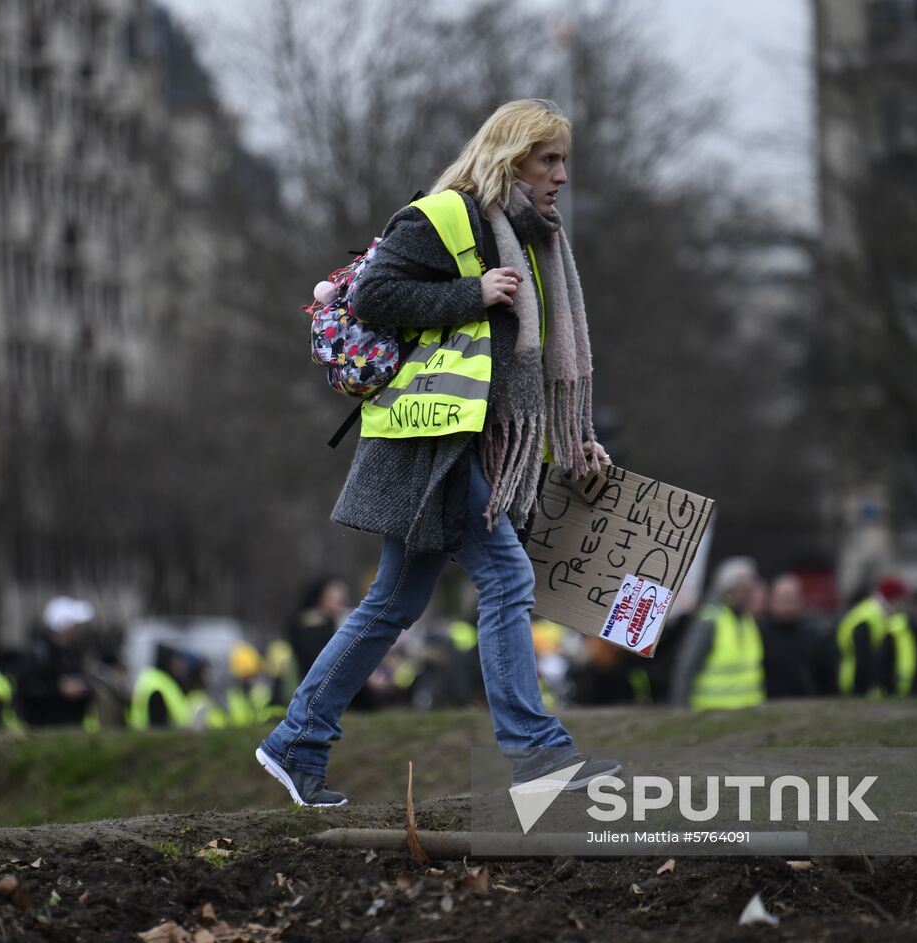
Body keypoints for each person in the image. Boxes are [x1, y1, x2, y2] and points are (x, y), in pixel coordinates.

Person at [256, 99, 619, 807]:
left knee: (391, 602)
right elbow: (373, 292)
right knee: (509, 582)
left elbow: (536, 368)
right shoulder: (444, 216)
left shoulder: (533, 239)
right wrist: (470, 293)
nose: (562, 176)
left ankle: (296, 740)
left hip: (468, 445)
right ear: (510, 157)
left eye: (563, 160)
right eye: (549, 159)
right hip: (435, 448)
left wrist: (575, 439)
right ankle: (537, 754)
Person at [671, 558, 765, 710]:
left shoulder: (748, 620)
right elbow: (686, 669)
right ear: (729, 591)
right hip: (710, 714)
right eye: (745, 590)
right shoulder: (710, 621)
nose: (750, 594)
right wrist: (681, 711)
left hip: (747, 715)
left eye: (751, 589)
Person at [18, 596, 95, 728]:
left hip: (72, 727)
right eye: (74, 624)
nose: (78, 629)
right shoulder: (40, 654)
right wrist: (58, 689)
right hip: (46, 729)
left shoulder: (73, 653)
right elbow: (27, 690)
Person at [836, 576, 907, 696]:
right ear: (893, 598)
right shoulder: (869, 618)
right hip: (857, 683)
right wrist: (868, 687)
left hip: (858, 680)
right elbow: (862, 658)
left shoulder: (874, 613)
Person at [759, 573, 820, 699]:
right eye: (783, 598)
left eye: (791, 597)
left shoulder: (814, 637)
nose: (787, 603)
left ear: (801, 600)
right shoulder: (758, 636)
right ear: (771, 600)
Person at [287, 576, 350, 678]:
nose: (344, 605)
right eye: (340, 601)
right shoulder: (309, 627)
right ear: (322, 598)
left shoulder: (304, 623)